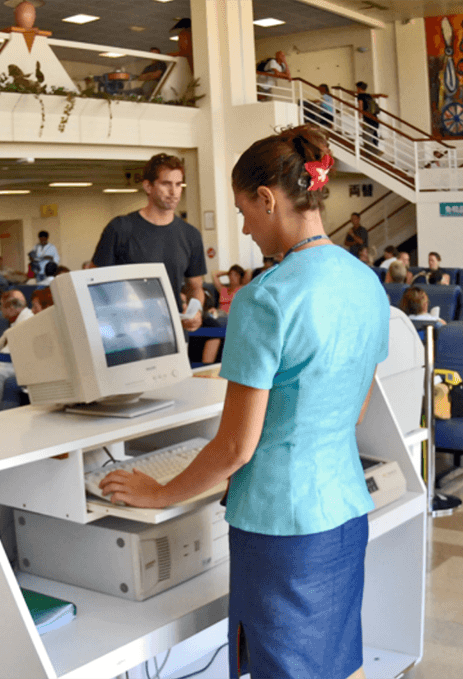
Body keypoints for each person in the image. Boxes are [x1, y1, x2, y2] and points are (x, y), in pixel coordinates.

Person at [99, 125, 388, 679]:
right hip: (345, 514)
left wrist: (158, 490)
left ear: (268, 198)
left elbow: (235, 446)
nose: (245, 228)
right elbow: (353, 411)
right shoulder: (366, 282)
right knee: (330, 665)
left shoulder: (266, 296)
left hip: (282, 528)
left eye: (243, 211)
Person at [91, 153, 207, 331]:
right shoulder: (120, 229)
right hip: (127, 334)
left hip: (172, 333)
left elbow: (195, 288)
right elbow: (93, 283)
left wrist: (196, 311)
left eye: (178, 184)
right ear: (148, 186)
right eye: (166, 184)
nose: (174, 192)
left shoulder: (190, 235)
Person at [354, 81, 387, 152]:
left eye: (357, 88)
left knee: (366, 136)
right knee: (374, 135)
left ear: (359, 88)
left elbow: (361, 107)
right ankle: (375, 149)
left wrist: (360, 119)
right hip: (374, 118)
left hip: (368, 119)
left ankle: (372, 152)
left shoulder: (360, 96)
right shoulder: (369, 95)